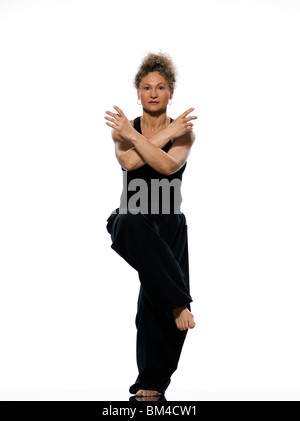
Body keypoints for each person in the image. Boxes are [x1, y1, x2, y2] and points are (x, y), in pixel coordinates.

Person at [104, 52, 197, 398]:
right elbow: (128, 161)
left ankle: (151, 383)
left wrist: (165, 133)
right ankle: (178, 302)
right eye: (146, 87)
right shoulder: (124, 128)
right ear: (138, 93)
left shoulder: (183, 133)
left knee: (152, 300)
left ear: (171, 92)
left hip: (170, 223)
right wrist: (151, 135)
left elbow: (168, 167)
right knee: (127, 220)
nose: (153, 93)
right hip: (133, 218)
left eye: (161, 87)